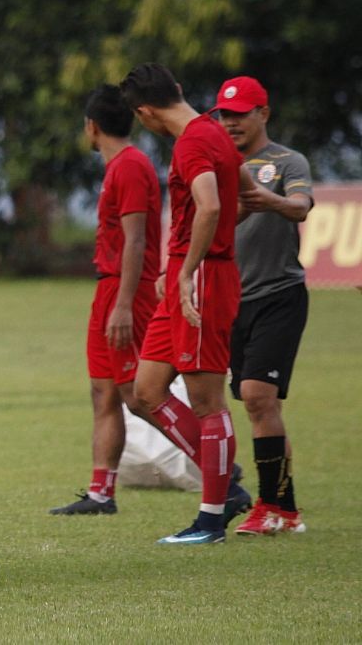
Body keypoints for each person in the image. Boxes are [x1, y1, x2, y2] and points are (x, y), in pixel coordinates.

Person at [119, 63, 251, 545]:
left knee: (208, 401)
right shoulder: (213, 133)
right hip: (183, 276)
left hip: (202, 280)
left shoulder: (194, 142)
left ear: (146, 111)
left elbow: (212, 204)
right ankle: (225, 483)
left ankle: (211, 519)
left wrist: (190, 269)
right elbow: (245, 194)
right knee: (147, 390)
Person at [51, 84, 162, 516]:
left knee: (139, 395)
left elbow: (135, 242)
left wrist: (123, 304)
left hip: (125, 290)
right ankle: (101, 493)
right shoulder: (119, 166)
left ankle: (220, 472)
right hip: (109, 288)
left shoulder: (131, 166)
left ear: (91, 126)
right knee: (103, 392)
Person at [212, 76, 313, 535]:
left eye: (240, 113)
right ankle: (285, 510)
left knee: (257, 396)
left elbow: (300, 207)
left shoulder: (287, 161)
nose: (231, 122)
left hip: (280, 294)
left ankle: (267, 508)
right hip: (234, 299)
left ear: (263, 114)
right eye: (225, 114)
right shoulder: (217, 165)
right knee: (258, 406)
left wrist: (262, 199)